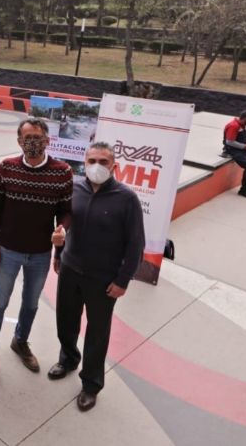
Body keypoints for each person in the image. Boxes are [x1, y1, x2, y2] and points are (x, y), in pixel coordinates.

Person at [48, 141, 145, 412]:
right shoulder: (74, 190)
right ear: (84, 163)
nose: (97, 166)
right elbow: (65, 227)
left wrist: (123, 280)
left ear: (114, 166)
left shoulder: (127, 199)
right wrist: (58, 254)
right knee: (66, 320)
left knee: (97, 332)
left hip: (103, 280)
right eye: (92, 161)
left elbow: (135, 244)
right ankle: (68, 359)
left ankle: (91, 383)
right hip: (70, 270)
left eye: (103, 162)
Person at [0, 118, 73, 386]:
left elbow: (66, 211)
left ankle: (20, 340)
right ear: (19, 141)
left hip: (41, 253)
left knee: (31, 304)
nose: (32, 142)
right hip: (8, 250)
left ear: (47, 140)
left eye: (37, 137)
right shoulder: (7, 167)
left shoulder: (62, 171)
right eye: (27, 137)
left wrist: (62, 232)